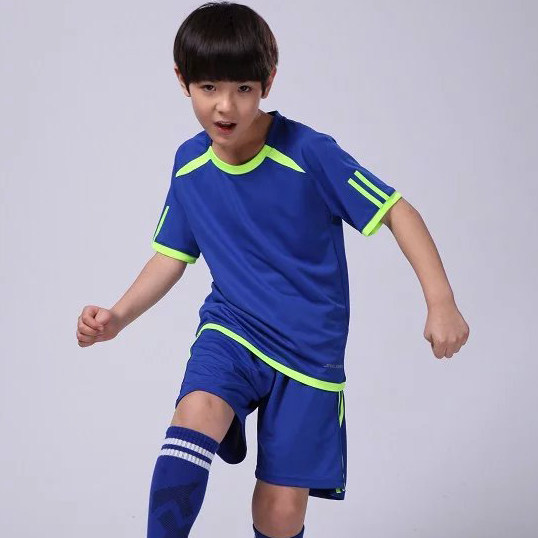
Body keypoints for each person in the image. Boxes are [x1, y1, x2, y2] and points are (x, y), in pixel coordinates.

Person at [76, 2, 470, 537]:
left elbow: (396, 210)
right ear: (182, 81)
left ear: (268, 82)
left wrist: (440, 301)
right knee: (196, 412)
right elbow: (171, 254)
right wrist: (118, 317)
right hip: (232, 329)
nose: (225, 105)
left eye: (243, 88)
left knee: (278, 513)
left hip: (308, 351)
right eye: (209, 87)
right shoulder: (189, 164)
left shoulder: (309, 153)